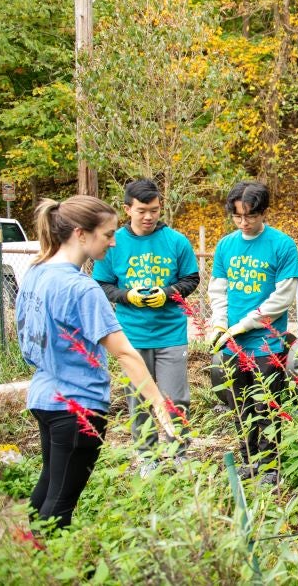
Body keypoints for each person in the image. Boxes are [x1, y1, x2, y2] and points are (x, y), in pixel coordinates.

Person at [18, 197, 178, 530]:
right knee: (59, 504)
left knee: (48, 488)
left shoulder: (36, 272)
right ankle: (47, 571)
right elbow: (124, 353)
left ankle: (28, 557)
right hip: (78, 408)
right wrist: (160, 405)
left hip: (44, 397)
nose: (114, 240)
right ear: (80, 233)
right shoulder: (82, 288)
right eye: (107, 234)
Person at [92, 179, 200, 476]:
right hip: (130, 336)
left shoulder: (176, 241)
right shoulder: (114, 243)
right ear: (127, 209)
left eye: (153, 210)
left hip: (171, 332)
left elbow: (191, 279)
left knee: (175, 397)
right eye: (141, 211)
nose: (148, 217)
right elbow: (102, 284)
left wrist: (168, 293)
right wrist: (127, 296)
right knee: (138, 398)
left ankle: (179, 452)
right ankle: (147, 456)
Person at [209, 181, 298, 486]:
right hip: (232, 345)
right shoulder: (226, 246)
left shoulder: (282, 245)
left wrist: (245, 324)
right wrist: (221, 323)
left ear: (263, 212)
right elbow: (218, 290)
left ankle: (271, 464)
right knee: (240, 404)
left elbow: (282, 297)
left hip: (267, 341)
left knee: (267, 406)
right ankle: (248, 459)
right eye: (237, 217)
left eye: (250, 216)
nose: (244, 222)